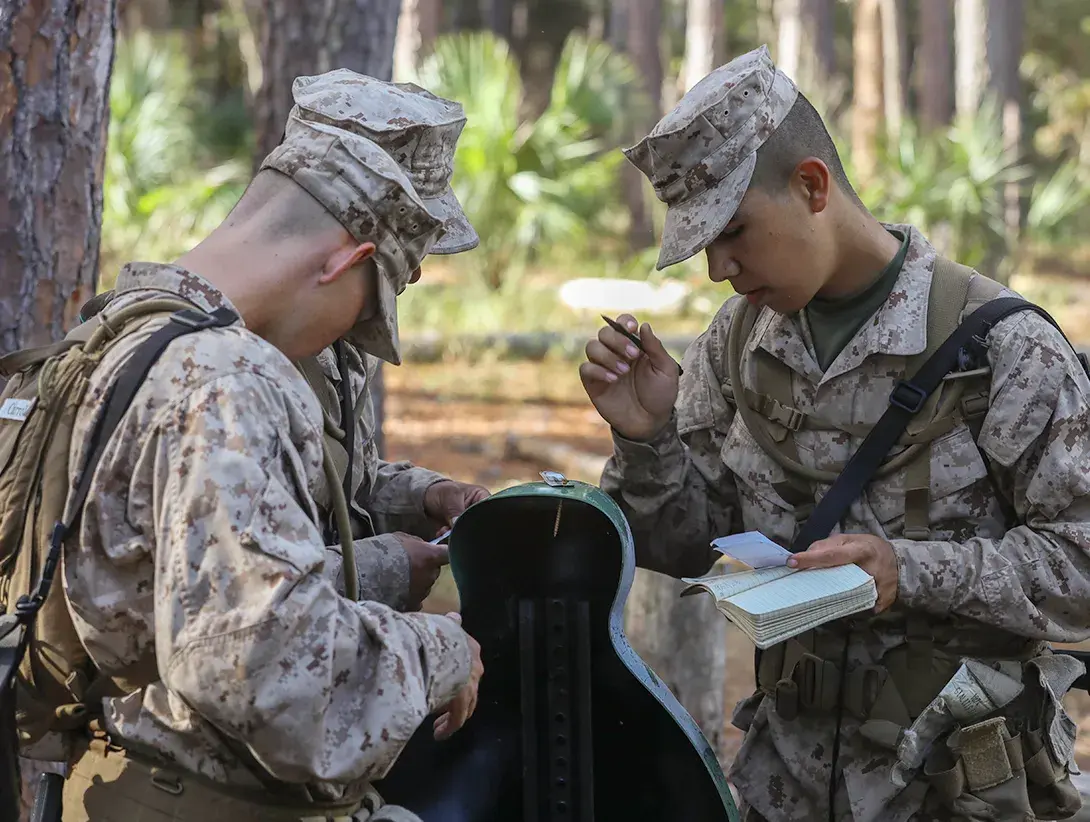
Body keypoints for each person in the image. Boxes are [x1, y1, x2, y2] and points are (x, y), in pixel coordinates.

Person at [580, 45, 1090, 822]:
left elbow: (1081, 565)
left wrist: (906, 571)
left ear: (812, 185)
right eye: (703, 246)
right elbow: (693, 545)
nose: (720, 268)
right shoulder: (739, 344)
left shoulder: (1002, 347)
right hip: (785, 781)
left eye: (734, 231)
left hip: (959, 788)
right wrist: (647, 439)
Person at [55, 104, 482, 820]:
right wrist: (442, 651)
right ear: (350, 261)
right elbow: (268, 671)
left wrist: (419, 497)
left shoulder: (118, 333)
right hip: (207, 794)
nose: (353, 332)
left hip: (118, 775)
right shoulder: (226, 378)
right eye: (368, 306)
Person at [285, 70, 489, 614]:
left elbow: (338, 493)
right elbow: (231, 602)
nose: (414, 273)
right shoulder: (221, 362)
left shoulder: (333, 337)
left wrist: (426, 496)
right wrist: (383, 570)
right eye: (405, 239)